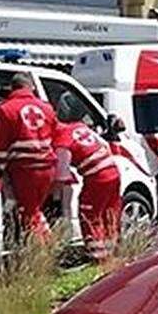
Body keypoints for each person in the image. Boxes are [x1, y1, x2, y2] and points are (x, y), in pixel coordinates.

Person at [52, 94, 122, 261]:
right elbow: (104, 144)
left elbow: (62, 173)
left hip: (97, 178)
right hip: (113, 171)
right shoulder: (79, 127)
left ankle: (97, 256)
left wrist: (55, 192)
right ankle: (113, 253)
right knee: (109, 213)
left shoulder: (62, 141)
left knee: (89, 215)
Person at [0, 73, 58, 242]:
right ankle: (44, 245)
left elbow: (1, 144)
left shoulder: (6, 109)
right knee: (35, 209)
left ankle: (44, 249)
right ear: (31, 87)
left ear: (12, 88)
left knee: (28, 212)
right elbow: (56, 135)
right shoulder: (47, 108)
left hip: (24, 170)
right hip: (48, 168)